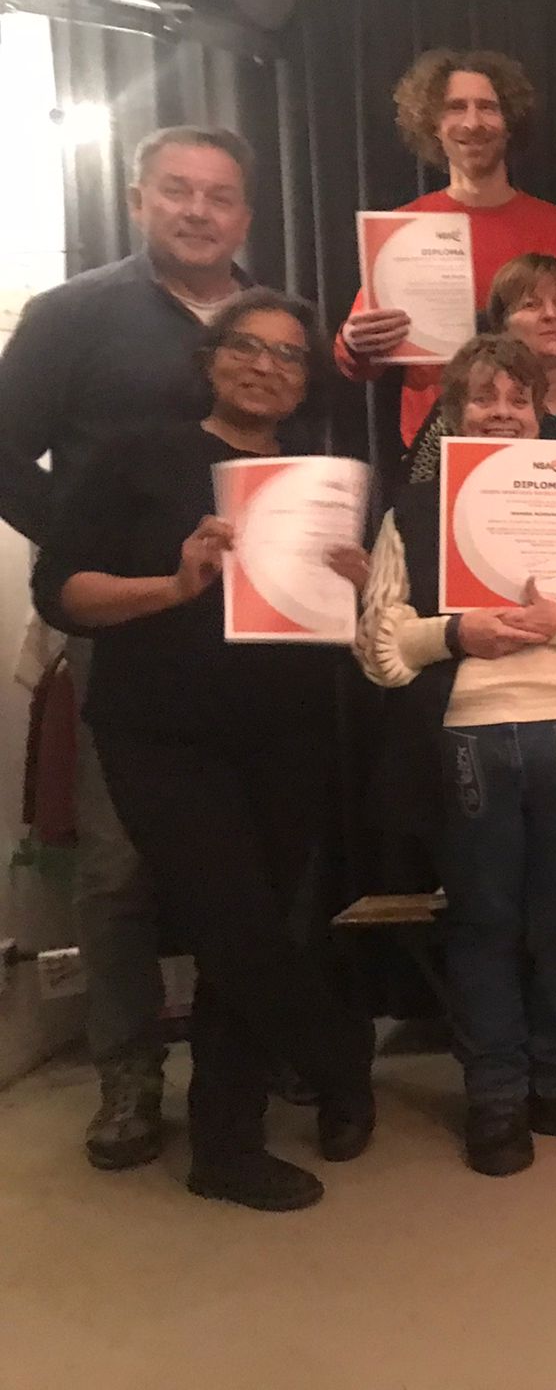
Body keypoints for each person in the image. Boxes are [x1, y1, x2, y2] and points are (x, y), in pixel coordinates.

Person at [33, 289, 376, 1210]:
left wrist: (357, 587)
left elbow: (348, 626)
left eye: (289, 355)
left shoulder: (320, 481)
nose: (267, 366)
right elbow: (61, 592)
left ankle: (226, 1142)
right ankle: (340, 1059)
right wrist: (173, 584)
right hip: (163, 735)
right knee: (235, 924)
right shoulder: (135, 455)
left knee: (253, 932)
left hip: (289, 733)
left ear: (306, 379)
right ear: (211, 357)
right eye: (247, 346)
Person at [0, 124, 259, 1172]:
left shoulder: (271, 318)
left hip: (255, 623)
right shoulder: (72, 315)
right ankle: (129, 1072)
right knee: (118, 861)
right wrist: (81, 545)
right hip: (128, 618)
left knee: (258, 846)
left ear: (245, 214)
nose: (198, 211)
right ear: (137, 199)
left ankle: (256, 1049)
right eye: (177, 190)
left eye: (220, 196)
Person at [355, 333, 556, 1176]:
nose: (501, 412)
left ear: (540, 412)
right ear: (452, 415)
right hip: (468, 744)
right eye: (482, 398)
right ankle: (495, 1101)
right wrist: (457, 634)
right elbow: (378, 649)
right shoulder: (413, 512)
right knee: (483, 925)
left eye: (517, 399)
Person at [336, 48, 556, 447]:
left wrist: (547, 354)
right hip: (437, 440)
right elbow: (359, 361)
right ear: (433, 124)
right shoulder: (402, 229)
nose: (473, 123)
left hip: (546, 436)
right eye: (455, 107)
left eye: (488, 107)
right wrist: (355, 343)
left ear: (509, 123)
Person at [406, 253, 556, 484]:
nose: (551, 314)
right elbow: (416, 488)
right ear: (501, 324)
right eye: (531, 305)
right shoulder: (466, 400)